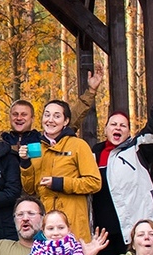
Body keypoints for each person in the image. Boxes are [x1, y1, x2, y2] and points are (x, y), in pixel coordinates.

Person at [85, 73, 153, 255]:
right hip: (102, 233)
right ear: (106, 129)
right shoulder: (92, 154)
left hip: (133, 230)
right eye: (113, 124)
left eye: (123, 126)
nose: (118, 128)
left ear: (128, 132)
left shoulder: (138, 149)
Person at [18, 100, 102, 242]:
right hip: (46, 226)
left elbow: (94, 183)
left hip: (73, 224)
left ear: (66, 121)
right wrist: (25, 162)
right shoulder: (37, 148)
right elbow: (30, 189)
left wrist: (60, 183)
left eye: (56, 116)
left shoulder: (78, 145)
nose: (50, 120)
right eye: (47, 115)